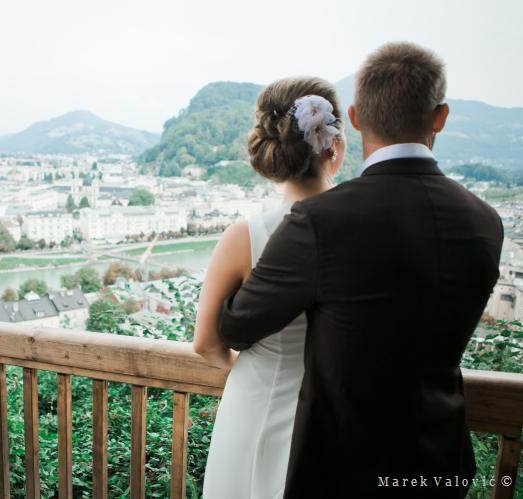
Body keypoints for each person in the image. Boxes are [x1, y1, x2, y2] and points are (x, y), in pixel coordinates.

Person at [218, 42, 503, 498]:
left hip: (342, 465)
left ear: (353, 117)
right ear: (440, 117)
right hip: (438, 462)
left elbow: (235, 325)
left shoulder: (321, 220)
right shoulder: (485, 221)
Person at [194, 76, 346, 498]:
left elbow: (206, 343)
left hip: (254, 406)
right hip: (337, 420)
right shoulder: (362, 229)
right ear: (334, 144)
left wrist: (257, 370)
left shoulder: (245, 235)